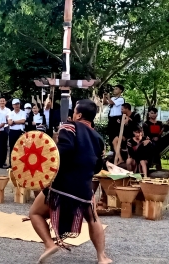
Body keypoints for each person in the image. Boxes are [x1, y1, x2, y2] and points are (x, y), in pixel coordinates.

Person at [29, 99, 111, 264]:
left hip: (62, 186)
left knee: (35, 213)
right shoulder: (98, 138)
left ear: (79, 115)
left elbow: (62, 151)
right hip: (84, 189)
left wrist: (44, 158)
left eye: (74, 111)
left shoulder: (69, 126)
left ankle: (49, 244)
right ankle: (102, 257)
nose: (72, 114)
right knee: (93, 219)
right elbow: (97, 167)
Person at [103, 84, 125, 150]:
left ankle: (117, 149)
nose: (114, 90)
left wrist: (108, 97)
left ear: (120, 91)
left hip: (117, 118)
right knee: (110, 133)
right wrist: (104, 96)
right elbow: (105, 103)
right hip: (111, 118)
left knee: (116, 133)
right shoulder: (112, 98)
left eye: (116, 89)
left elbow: (112, 103)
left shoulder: (121, 99)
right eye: (114, 89)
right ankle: (111, 149)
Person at [7, 99, 26, 168]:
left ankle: (20, 164)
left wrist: (14, 122)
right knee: (12, 148)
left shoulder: (23, 112)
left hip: (20, 131)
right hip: (12, 132)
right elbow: (9, 122)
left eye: (18, 104)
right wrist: (15, 122)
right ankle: (11, 164)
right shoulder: (10, 113)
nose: (17, 105)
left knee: (21, 149)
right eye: (15, 104)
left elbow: (23, 121)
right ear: (12, 105)